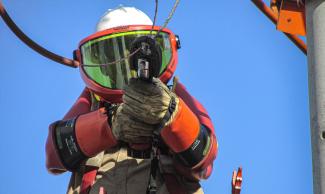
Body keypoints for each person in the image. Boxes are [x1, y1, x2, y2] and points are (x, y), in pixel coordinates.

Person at [45, 6, 218, 194]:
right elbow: (54, 154)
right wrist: (110, 123)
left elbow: (204, 160)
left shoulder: (172, 97)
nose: (127, 67)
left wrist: (170, 114)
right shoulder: (92, 102)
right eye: (113, 56)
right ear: (100, 63)